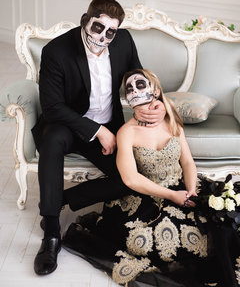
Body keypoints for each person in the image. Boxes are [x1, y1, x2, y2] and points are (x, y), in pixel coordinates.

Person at [62, 69, 240, 287]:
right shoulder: (126, 132)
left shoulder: (172, 120)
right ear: (126, 98)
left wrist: (191, 189)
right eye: (130, 89)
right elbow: (130, 179)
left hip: (181, 186)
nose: (135, 91)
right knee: (157, 245)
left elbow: (187, 162)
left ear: (155, 90)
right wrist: (172, 195)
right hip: (147, 195)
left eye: (141, 85)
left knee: (218, 227)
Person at [32, 0, 166, 276]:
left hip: (109, 125)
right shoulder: (56, 51)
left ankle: (57, 200)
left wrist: (155, 104)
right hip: (67, 124)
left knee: (135, 177)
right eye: (97, 28)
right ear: (86, 21)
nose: (103, 37)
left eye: (110, 32)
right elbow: (53, 107)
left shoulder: (124, 41)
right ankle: (52, 234)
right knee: (52, 140)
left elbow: (135, 80)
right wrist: (98, 131)